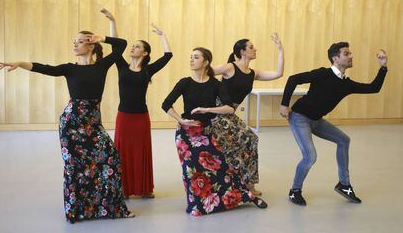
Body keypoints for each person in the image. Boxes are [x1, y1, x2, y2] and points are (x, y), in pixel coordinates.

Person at [0, 32, 134, 222]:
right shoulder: (69, 68)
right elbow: (45, 68)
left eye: (79, 42)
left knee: (110, 159)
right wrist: (20, 63)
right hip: (71, 123)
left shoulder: (102, 65)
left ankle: (108, 208)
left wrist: (102, 38)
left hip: (94, 123)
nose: (75, 45)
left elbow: (122, 44)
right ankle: (77, 211)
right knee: (74, 167)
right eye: (74, 42)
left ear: (91, 46)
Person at [279, 42, 388, 206]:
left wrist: (383, 67)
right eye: (346, 53)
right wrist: (284, 104)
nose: (351, 56)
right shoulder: (322, 73)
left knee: (344, 140)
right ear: (335, 58)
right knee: (310, 157)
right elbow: (294, 79)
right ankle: (295, 191)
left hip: (316, 120)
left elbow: (374, 88)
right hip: (300, 117)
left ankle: (344, 184)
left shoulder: (346, 84)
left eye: (350, 53)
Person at [162, 47, 267, 216]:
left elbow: (229, 108)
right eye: (191, 57)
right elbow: (166, 104)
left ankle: (243, 196)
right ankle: (197, 205)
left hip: (206, 131)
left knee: (222, 169)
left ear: (205, 62)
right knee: (191, 170)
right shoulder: (185, 82)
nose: (191, 60)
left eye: (195, 57)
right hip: (186, 133)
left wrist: (207, 109)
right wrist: (180, 120)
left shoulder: (215, 84)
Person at [101, 8, 173, 198]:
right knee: (122, 152)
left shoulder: (148, 70)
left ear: (145, 52)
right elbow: (116, 47)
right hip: (123, 116)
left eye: (137, 46)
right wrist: (112, 21)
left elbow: (168, 56)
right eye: (132, 46)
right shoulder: (122, 66)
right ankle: (124, 188)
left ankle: (143, 188)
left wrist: (163, 35)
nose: (132, 48)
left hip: (141, 117)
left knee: (141, 152)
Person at [212, 34, 284, 195]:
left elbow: (278, 73)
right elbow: (204, 72)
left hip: (230, 115)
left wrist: (280, 50)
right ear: (242, 51)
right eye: (251, 47)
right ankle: (234, 184)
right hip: (217, 113)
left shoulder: (253, 73)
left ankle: (248, 184)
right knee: (245, 140)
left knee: (251, 140)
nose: (255, 49)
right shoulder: (229, 67)